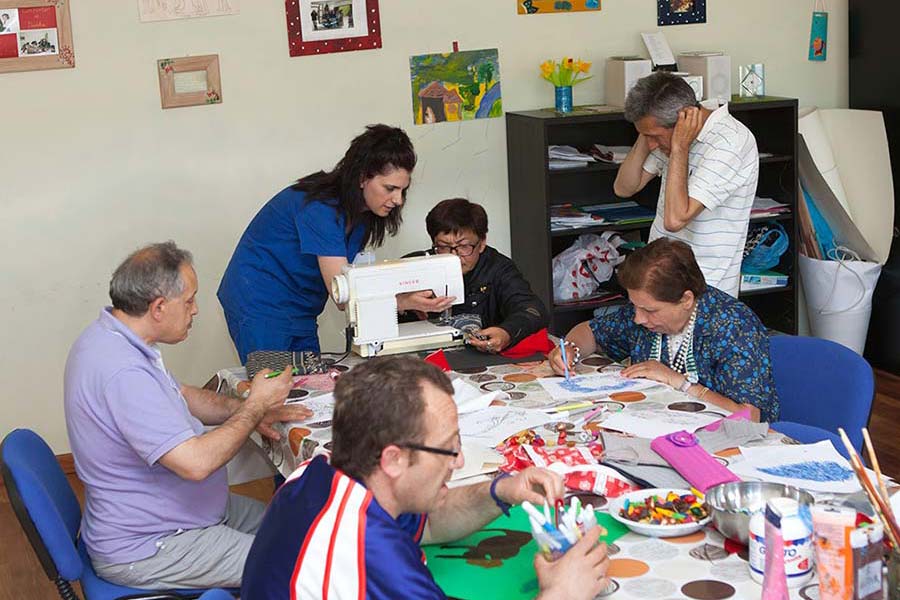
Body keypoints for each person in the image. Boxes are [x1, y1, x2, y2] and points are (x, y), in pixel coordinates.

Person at [241, 356, 610, 599]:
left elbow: (428, 525)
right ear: (394, 459)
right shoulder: (372, 556)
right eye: (449, 448)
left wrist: (502, 491)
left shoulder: (322, 473)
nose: (459, 460)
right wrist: (562, 593)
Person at [64, 242, 312, 589]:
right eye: (190, 300)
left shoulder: (113, 337)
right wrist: (255, 404)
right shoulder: (122, 371)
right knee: (304, 568)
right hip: (154, 543)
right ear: (159, 307)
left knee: (307, 528)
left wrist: (247, 411)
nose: (195, 310)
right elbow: (195, 463)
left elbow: (180, 395)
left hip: (183, 512)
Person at [217, 124, 453, 367]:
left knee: (310, 381)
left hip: (301, 309)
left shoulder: (362, 216)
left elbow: (350, 287)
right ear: (362, 177)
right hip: (260, 302)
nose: (398, 200)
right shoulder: (320, 208)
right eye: (390, 188)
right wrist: (403, 300)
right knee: (272, 381)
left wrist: (403, 296)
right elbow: (342, 294)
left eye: (403, 190)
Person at [548, 238, 778, 422]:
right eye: (635, 307)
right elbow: (590, 331)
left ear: (686, 299)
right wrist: (570, 349)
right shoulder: (644, 314)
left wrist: (680, 382)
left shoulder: (733, 326)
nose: (638, 318)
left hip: (725, 443)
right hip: (656, 428)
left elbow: (750, 417)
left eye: (649, 310)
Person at [613, 71, 759, 297]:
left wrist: (680, 148)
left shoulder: (730, 143)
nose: (652, 145)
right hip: (657, 278)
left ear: (681, 122)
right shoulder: (668, 135)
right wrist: (646, 134)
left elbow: (675, 219)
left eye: (654, 136)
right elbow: (624, 187)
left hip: (705, 286)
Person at [405, 198, 549, 354]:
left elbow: (533, 310)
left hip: (482, 356)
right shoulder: (416, 266)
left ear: (482, 243)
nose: (454, 256)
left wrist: (506, 332)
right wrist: (404, 304)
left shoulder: (498, 268)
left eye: (464, 246)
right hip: (426, 357)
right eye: (444, 247)